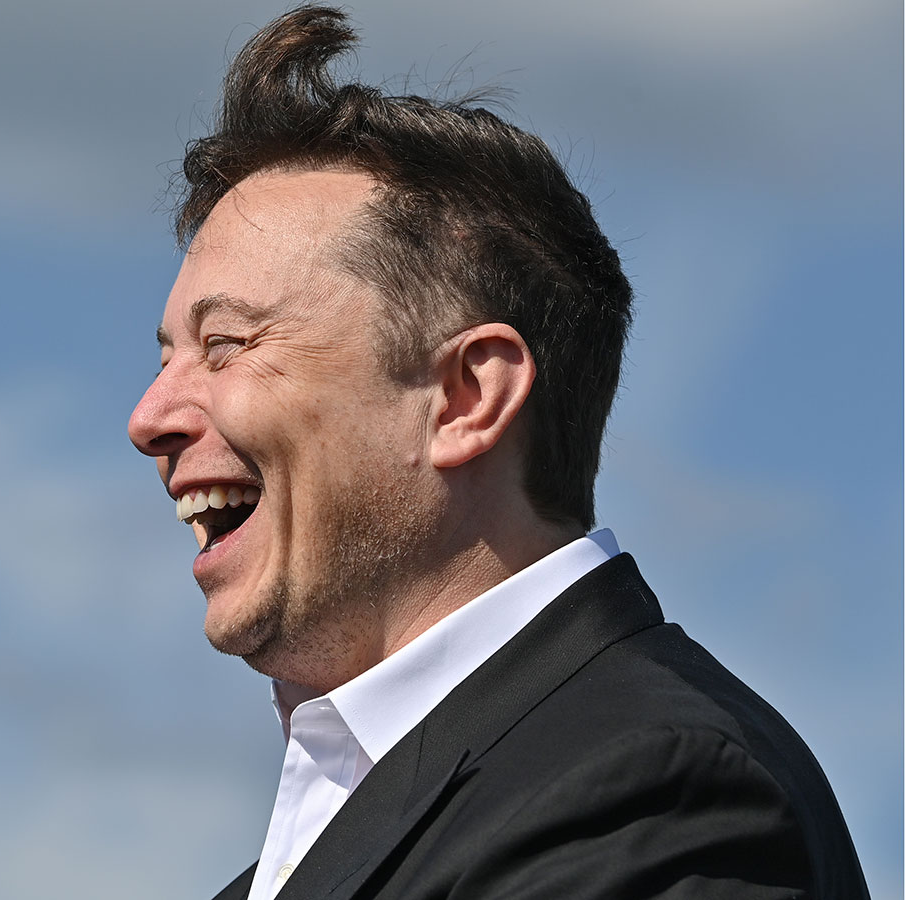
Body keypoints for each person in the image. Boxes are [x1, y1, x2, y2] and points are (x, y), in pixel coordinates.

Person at [126, 7, 869, 899]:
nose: (149, 418)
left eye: (227, 345)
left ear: (466, 398)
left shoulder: (649, 796)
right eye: (164, 361)